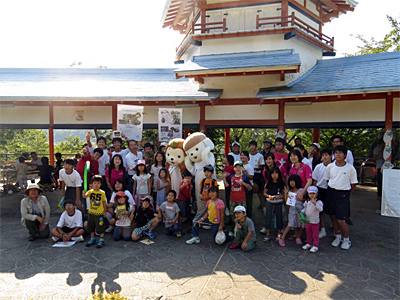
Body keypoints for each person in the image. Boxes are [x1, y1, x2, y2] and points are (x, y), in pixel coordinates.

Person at [324, 145, 358, 250]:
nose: (338, 155)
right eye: (336, 153)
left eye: (340, 153)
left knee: (341, 219)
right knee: (333, 217)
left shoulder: (350, 168)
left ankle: (346, 239)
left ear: (345, 155)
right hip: (331, 193)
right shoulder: (330, 166)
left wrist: (347, 195)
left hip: (343, 194)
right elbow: (327, 180)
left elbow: (353, 184)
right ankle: (337, 236)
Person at [312, 148, 332, 238]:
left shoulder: (334, 167)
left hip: (331, 190)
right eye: (323, 155)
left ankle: (336, 231)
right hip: (320, 190)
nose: (324, 157)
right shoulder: (318, 166)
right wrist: (313, 192)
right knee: (320, 211)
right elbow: (315, 181)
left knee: (332, 211)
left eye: (326, 155)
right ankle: (323, 230)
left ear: (331, 156)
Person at [279, 175, 303, 247]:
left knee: (300, 224)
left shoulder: (301, 191)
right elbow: (287, 203)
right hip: (292, 210)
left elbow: (305, 199)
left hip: (300, 210)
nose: (292, 183)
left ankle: (298, 237)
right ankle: (282, 238)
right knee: (290, 224)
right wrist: (286, 194)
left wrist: (300, 198)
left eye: (293, 181)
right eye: (290, 181)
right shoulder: (290, 191)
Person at [83, 175, 107, 248]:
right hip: (91, 212)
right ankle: (92, 238)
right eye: (95, 183)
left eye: (98, 183)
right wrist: (83, 193)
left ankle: (101, 239)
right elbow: (85, 196)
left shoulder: (102, 193)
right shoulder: (90, 192)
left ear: (101, 184)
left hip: (99, 213)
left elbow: (104, 202)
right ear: (92, 184)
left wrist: (104, 211)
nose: (96, 185)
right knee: (91, 226)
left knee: (100, 226)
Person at [262, 167, 285, 242]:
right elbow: (264, 192)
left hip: (278, 202)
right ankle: (268, 233)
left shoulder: (281, 183)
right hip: (269, 202)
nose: (274, 175)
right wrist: (269, 196)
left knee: (279, 217)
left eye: (276, 173)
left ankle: (279, 233)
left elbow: (284, 193)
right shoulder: (268, 182)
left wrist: (280, 196)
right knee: (268, 217)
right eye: (272, 173)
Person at [302, 186, 323, 253]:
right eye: (310, 193)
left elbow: (320, 209)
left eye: (313, 193)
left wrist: (315, 204)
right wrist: (301, 212)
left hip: (315, 221)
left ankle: (315, 245)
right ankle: (309, 243)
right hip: (308, 220)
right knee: (308, 232)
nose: (312, 195)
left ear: (316, 194)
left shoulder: (319, 202)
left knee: (315, 234)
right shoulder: (307, 201)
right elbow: (305, 208)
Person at [249, 141, 265, 216]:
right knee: (249, 192)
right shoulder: (247, 156)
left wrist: (253, 168)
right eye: (251, 146)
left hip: (257, 175)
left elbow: (262, 166)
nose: (252, 147)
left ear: (256, 147)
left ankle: (264, 208)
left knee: (260, 192)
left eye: (253, 146)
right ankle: (250, 209)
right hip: (249, 175)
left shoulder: (260, 156)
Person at [240, 151, 255, 218]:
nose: (242, 157)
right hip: (240, 187)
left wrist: (245, 172)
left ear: (248, 157)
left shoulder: (249, 166)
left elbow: (251, 177)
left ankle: (249, 217)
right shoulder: (238, 165)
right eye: (241, 155)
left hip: (248, 187)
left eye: (244, 155)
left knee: (248, 203)